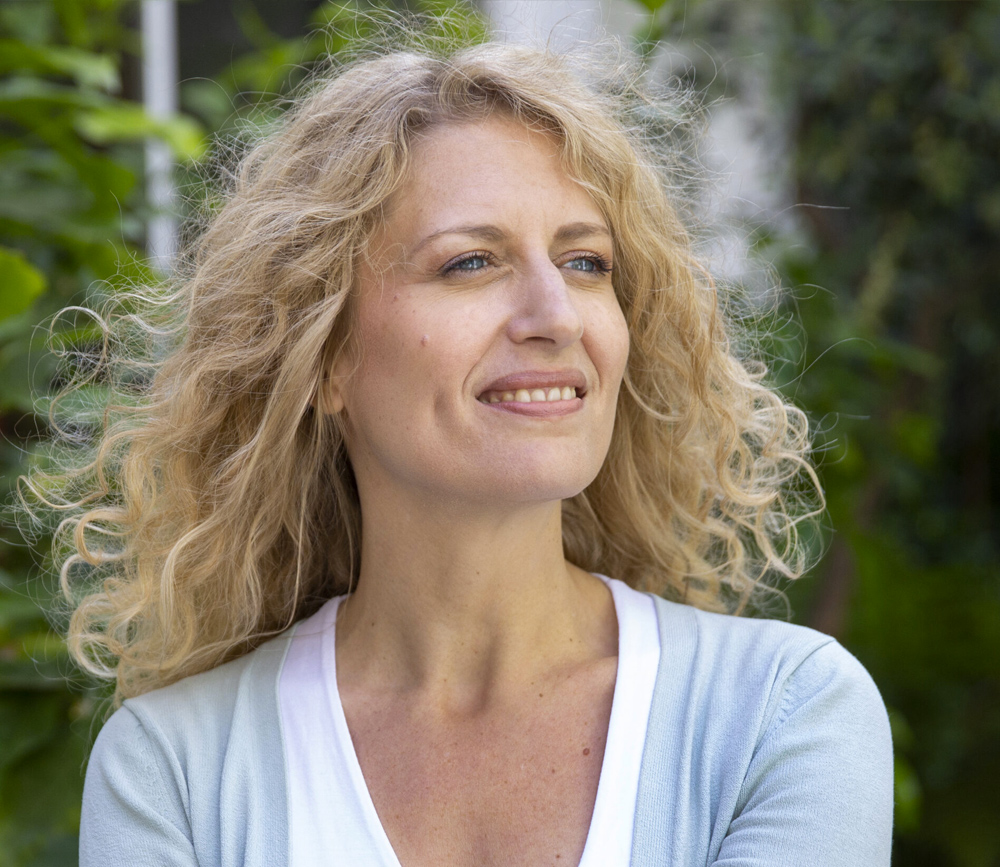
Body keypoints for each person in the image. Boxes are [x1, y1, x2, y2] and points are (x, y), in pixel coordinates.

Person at [32, 36, 892, 867]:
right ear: (323, 354)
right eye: (472, 262)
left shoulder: (782, 717)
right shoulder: (174, 769)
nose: (555, 315)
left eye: (587, 261)